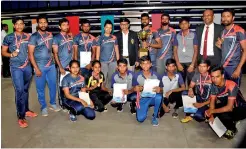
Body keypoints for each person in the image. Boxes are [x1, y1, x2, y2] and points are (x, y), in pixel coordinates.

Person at [1, 17, 37, 128]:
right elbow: (3, 52)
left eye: (21, 24)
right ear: (13, 25)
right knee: (20, 90)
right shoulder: (9, 37)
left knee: (25, 89)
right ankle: (21, 117)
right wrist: (11, 55)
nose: (20, 26)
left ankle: (26, 110)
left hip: (27, 67)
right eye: (17, 24)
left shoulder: (28, 36)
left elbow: (32, 50)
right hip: (16, 68)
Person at [28, 15, 60, 116]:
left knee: (53, 86)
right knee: (40, 88)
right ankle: (43, 106)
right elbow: (30, 54)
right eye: (41, 22)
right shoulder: (34, 37)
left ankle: (53, 103)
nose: (43, 24)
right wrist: (36, 68)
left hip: (51, 66)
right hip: (40, 66)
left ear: (47, 23)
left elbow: (53, 47)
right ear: (38, 24)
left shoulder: (50, 34)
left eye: (44, 22)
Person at [205, 66, 246, 139]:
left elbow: (229, 108)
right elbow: (212, 101)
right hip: (227, 105)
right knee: (207, 112)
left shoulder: (231, 85)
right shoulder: (214, 86)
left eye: (217, 77)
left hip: (240, 108)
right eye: (212, 77)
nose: (214, 80)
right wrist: (211, 114)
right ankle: (230, 119)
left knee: (222, 115)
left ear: (222, 76)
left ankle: (233, 129)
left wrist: (213, 111)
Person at [216, 9, 246, 86]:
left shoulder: (239, 30)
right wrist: (220, 46)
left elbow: (245, 50)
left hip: (234, 67)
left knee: (234, 91)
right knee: (225, 89)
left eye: (228, 16)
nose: (225, 18)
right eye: (223, 16)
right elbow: (228, 49)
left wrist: (238, 68)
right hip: (223, 67)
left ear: (233, 18)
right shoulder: (222, 32)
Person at [133, 56, 162, 126]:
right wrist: (135, 88)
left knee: (159, 97)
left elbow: (162, 88)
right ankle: (144, 107)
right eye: (143, 63)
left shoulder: (156, 75)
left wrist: (160, 89)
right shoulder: (136, 75)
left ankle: (154, 117)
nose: (145, 65)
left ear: (151, 64)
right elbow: (133, 88)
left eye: (147, 63)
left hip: (153, 97)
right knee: (140, 119)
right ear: (140, 65)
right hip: (142, 98)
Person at [173, 17, 198, 85]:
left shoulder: (193, 34)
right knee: (181, 83)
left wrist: (192, 65)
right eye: (182, 24)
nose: (184, 25)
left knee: (191, 83)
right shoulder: (177, 35)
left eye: (185, 23)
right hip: (180, 62)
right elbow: (175, 50)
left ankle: (192, 94)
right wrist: (177, 64)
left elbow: (196, 50)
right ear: (180, 25)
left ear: (189, 24)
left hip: (190, 62)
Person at [96, 20, 120, 89]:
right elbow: (98, 51)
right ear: (104, 28)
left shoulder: (114, 38)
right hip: (103, 62)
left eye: (110, 28)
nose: (108, 29)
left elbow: (117, 50)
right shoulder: (100, 38)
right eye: (107, 27)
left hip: (113, 62)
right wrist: (97, 63)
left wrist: (118, 63)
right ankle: (103, 95)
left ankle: (110, 94)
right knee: (103, 79)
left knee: (111, 79)